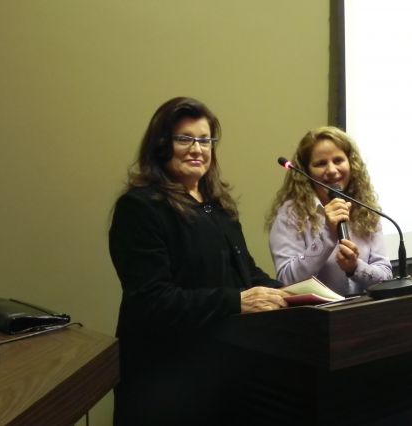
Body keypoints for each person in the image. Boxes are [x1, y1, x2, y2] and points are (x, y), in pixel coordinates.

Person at [109, 96, 289, 425]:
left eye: (205, 140)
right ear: (161, 145)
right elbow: (152, 299)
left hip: (223, 371)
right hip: (164, 381)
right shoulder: (140, 208)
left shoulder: (218, 205)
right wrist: (236, 301)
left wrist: (290, 293)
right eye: (185, 139)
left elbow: (246, 272)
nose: (197, 149)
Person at [266, 126, 393, 296]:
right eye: (321, 163)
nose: (332, 170)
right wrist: (327, 235)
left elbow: (386, 277)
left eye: (338, 160)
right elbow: (287, 280)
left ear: (351, 163)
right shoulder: (291, 214)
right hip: (316, 311)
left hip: (363, 309)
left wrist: (355, 267)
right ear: (306, 171)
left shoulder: (364, 207)